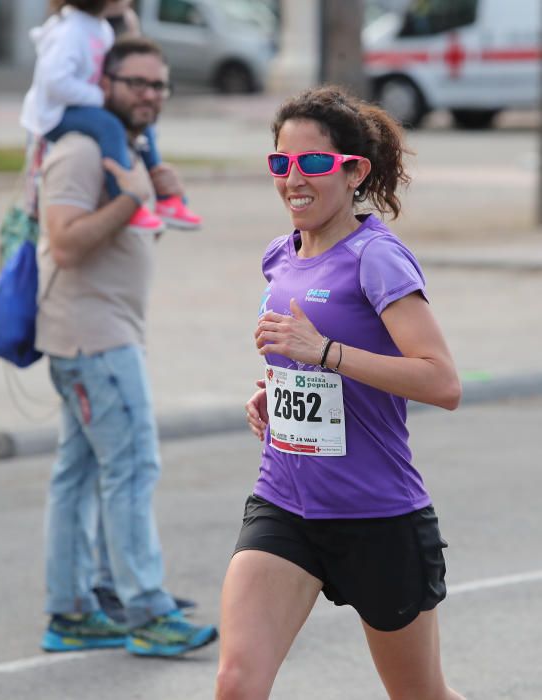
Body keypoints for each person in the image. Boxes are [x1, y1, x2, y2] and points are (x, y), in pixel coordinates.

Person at [215, 85, 465, 699]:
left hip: (377, 515)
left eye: (314, 163)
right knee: (236, 685)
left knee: (421, 696)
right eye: (281, 163)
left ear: (354, 171)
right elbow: (305, 369)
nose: (293, 178)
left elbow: (442, 381)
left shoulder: (377, 260)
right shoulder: (281, 256)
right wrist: (277, 393)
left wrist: (324, 352)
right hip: (286, 502)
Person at [36, 34, 217, 657]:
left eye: (158, 85)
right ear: (103, 84)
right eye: (135, 82)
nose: (148, 95)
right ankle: (145, 611)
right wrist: (133, 200)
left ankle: (74, 609)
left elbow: (126, 240)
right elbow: (64, 242)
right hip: (96, 341)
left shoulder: (128, 149)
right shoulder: (83, 149)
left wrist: (158, 200)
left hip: (95, 335)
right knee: (133, 467)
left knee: (79, 474)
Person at [22, 0, 200, 234]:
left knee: (141, 125)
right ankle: (125, 199)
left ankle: (166, 198)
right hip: (57, 113)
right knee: (111, 127)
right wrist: (99, 97)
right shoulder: (70, 31)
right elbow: (54, 83)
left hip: (83, 104)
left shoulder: (100, 28)